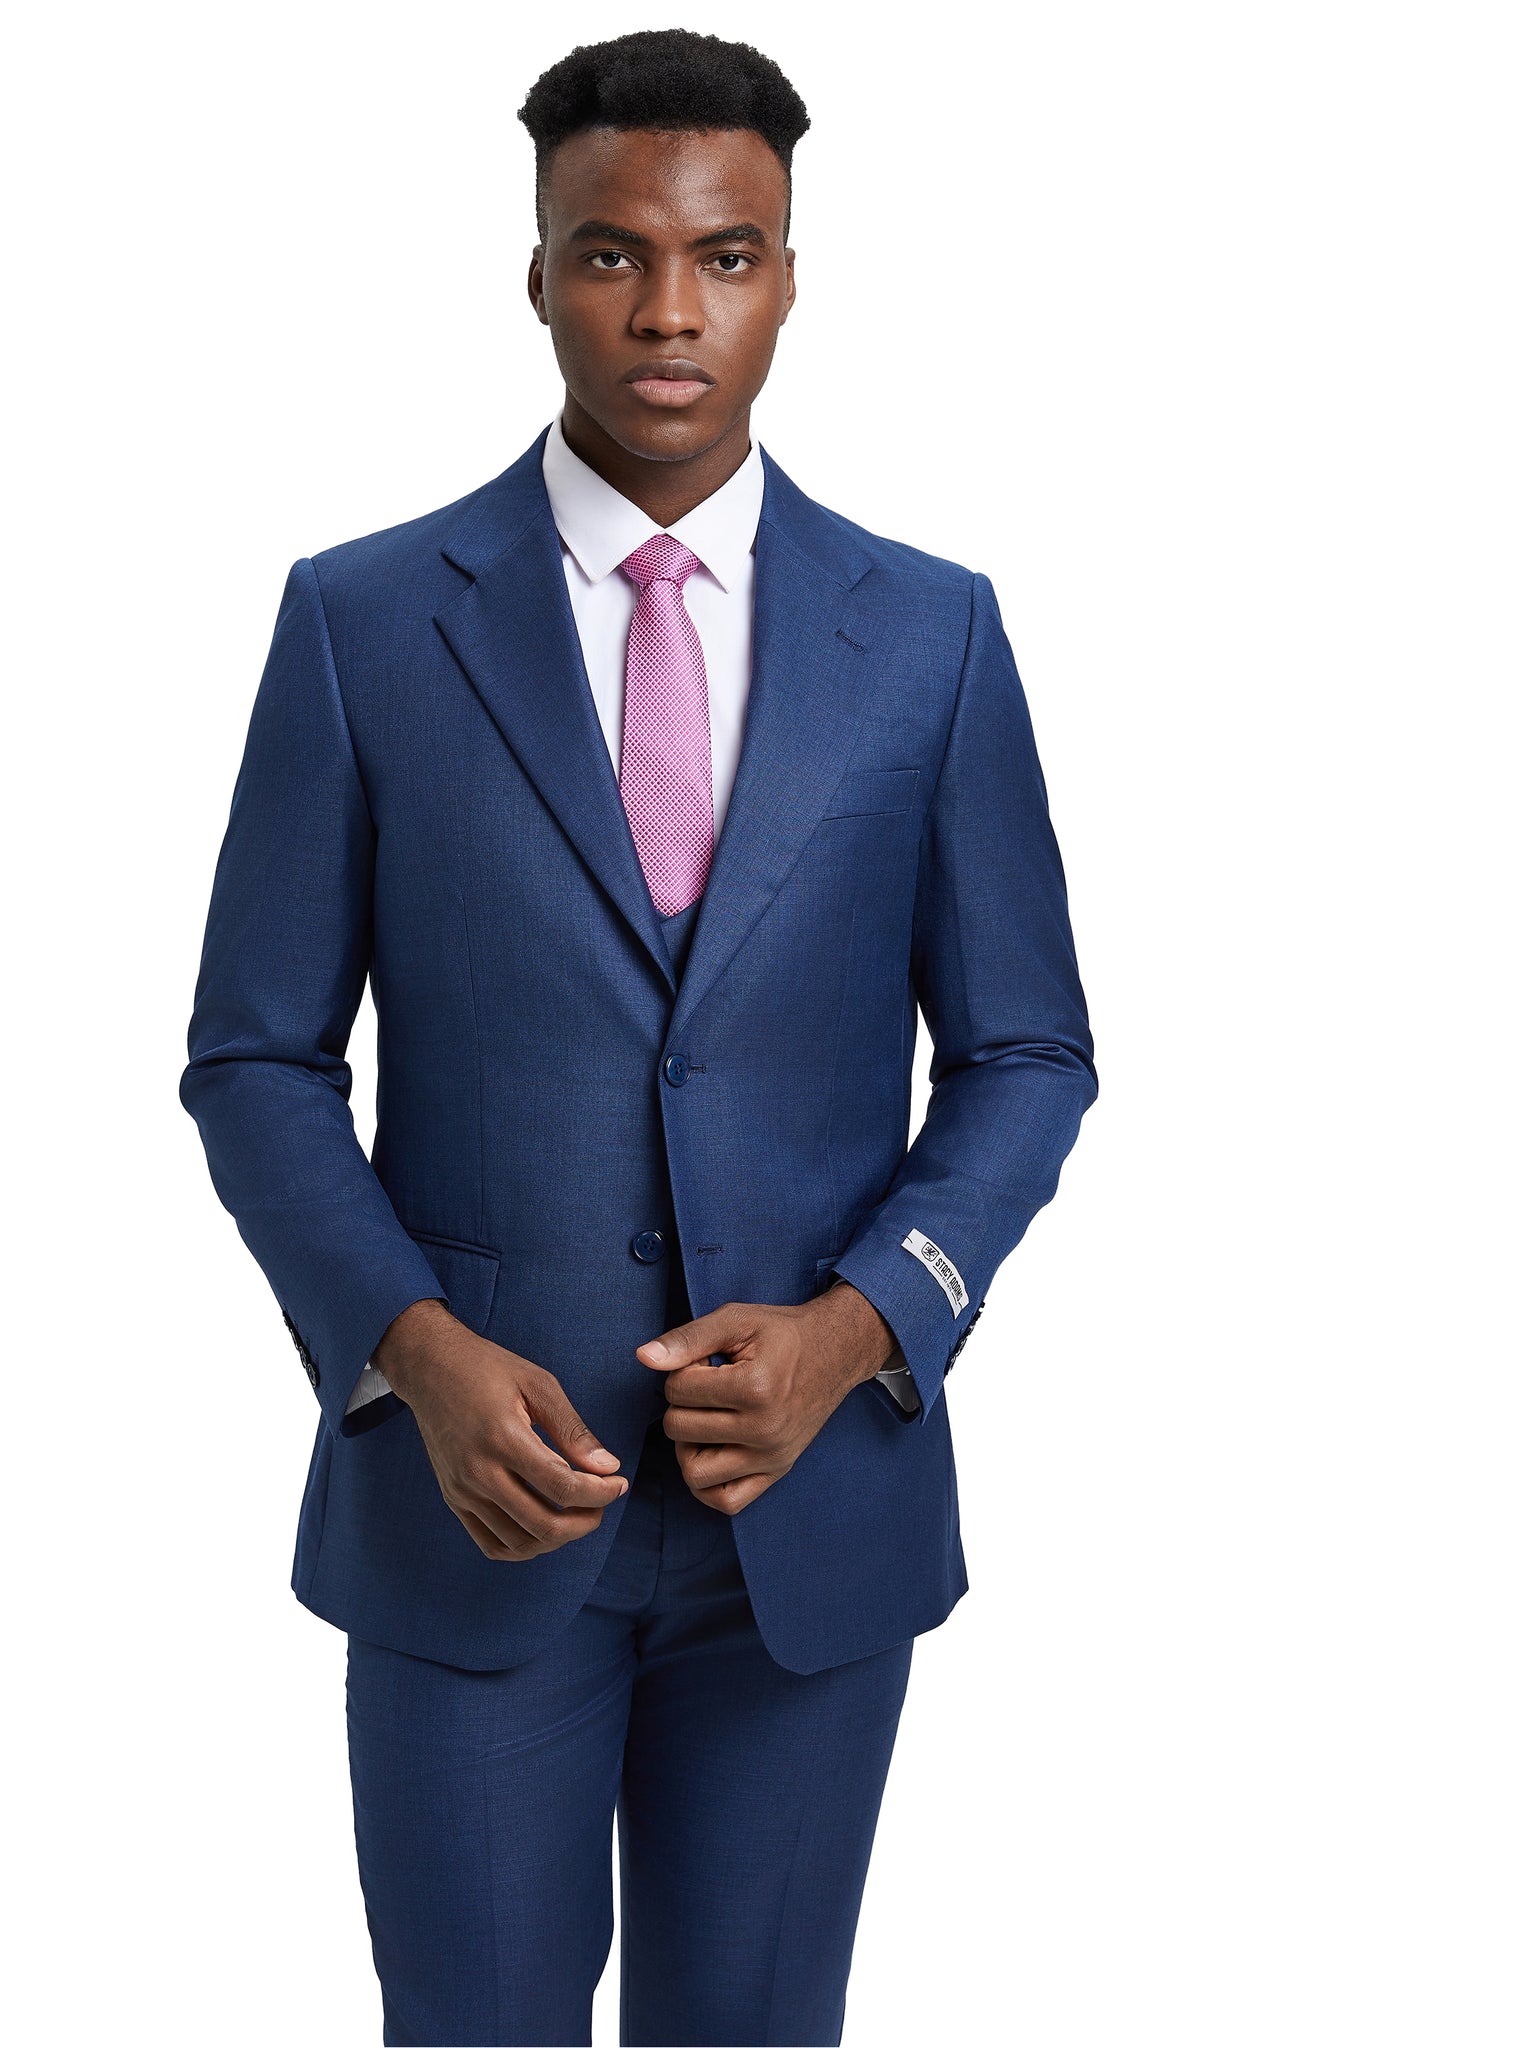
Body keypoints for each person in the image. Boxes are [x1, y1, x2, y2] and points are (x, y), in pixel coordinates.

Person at [181, 29, 1095, 2046]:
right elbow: (253, 1058)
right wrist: (413, 1354)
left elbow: (1028, 1052)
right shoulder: (361, 622)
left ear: (789, 277)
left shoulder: (930, 634)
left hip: (812, 1521)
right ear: (537, 273)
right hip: (473, 1507)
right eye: (611, 254)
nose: (669, 309)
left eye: (725, 256)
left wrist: (862, 1324)